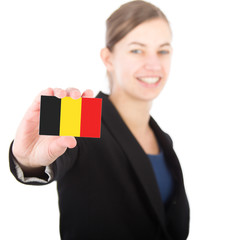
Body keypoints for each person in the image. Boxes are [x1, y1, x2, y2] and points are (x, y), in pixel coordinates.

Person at [9, 1, 190, 239]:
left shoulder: (163, 139)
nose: (154, 64)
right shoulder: (82, 116)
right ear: (108, 59)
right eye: (137, 50)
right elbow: (47, 158)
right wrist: (26, 160)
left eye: (163, 50)